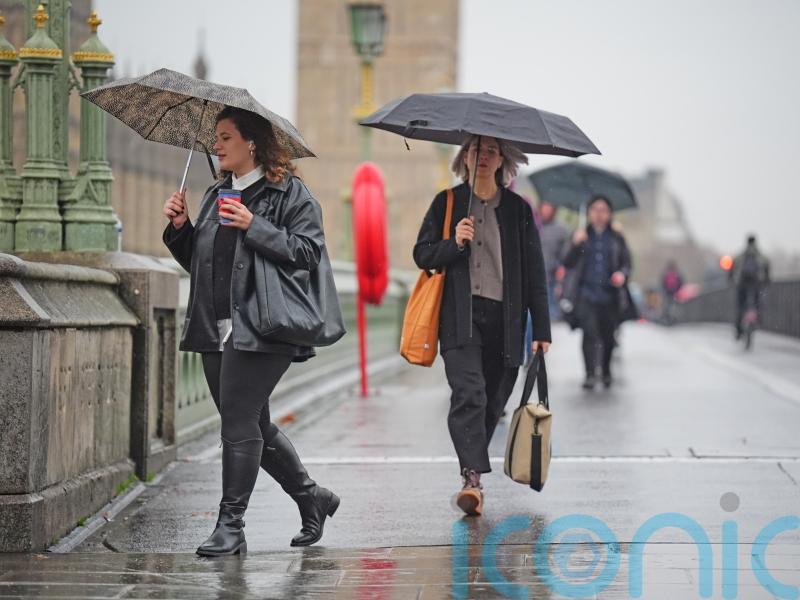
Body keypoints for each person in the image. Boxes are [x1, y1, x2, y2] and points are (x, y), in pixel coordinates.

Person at [162, 106, 339, 556]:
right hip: (215, 325)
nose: (216, 145)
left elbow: (309, 253)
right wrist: (181, 229)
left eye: (226, 137)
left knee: (239, 421)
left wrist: (254, 225)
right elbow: (205, 263)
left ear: (252, 143)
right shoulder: (216, 193)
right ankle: (312, 498)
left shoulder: (290, 193)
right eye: (216, 137)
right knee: (251, 422)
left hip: (265, 326)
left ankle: (231, 525)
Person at [413, 135, 551, 516]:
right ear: (465, 156)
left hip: (506, 321)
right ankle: (471, 479)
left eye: (492, 151)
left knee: (492, 401)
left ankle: (472, 467)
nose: (484, 157)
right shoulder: (447, 202)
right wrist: (454, 243)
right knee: (469, 393)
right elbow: (422, 253)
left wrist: (541, 329)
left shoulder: (519, 210)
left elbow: (535, 272)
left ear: (503, 160)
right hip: (460, 318)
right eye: (477, 150)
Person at [561, 196, 637, 390]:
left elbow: (627, 263)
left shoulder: (616, 237)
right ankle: (589, 373)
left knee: (608, 336)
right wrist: (576, 244)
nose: (599, 214)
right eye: (595, 209)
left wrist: (622, 274)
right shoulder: (581, 235)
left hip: (610, 294)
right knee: (589, 332)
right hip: (586, 293)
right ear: (588, 213)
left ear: (610, 213)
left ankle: (605, 371)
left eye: (603, 210)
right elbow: (567, 262)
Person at [730, 235, 770, 339]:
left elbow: (733, 266)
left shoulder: (742, 255)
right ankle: (757, 321)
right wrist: (766, 279)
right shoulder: (760, 256)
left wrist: (731, 278)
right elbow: (767, 265)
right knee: (757, 303)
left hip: (742, 284)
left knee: (740, 305)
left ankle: (738, 329)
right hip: (756, 284)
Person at [538, 201, 570, 319]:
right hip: (533, 276)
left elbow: (565, 256)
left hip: (552, 278)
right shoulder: (532, 225)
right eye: (545, 206)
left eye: (550, 207)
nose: (547, 210)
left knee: (552, 313)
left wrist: (561, 273)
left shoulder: (561, 230)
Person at [660, 260, 684, 325]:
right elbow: (681, 283)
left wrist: (664, 291)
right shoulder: (677, 274)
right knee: (675, 306)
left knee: (667, 306)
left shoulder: (666, 274)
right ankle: (674, 319)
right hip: (675, 293)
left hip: (668, 293)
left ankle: (666, 319)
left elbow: (662, 284)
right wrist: (678, 291)